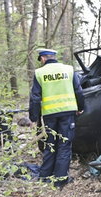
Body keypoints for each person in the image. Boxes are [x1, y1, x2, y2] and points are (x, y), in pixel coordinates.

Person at [28, 48, 84, 187]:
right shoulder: (69, 70)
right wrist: (80, 107)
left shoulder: (40, 73)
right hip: (67, 113)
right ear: (53, 57)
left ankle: (45, 176)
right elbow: (78, 90)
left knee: (50, 145)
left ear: (43, 58)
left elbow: (35, 97)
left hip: (50, 115)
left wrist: (33, 116)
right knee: (64, 146)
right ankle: (60, 180)